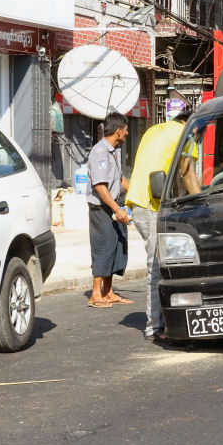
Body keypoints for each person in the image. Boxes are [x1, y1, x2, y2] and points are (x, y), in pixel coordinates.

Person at [125, 110, 199, 340]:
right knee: (157, 265)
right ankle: (154, 327)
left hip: (138, 201)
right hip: (151, 203)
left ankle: (166, 319)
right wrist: (202, 205)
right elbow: (187, 173)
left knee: (165, 261)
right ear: (191, 124)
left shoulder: (154, 130)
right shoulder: (185, 133)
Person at [86, 112, 132, 308]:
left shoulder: (114, 151)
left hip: (114, 205)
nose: (128, 133)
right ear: (119, 131)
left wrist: (137, 196)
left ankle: (108, 291)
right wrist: (117, 209)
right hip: (101, 208)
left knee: (117, 245)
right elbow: (100, 186)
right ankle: (95, 294)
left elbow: (120, 179)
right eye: (126, 129)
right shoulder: (99, 152)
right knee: (103, 247)